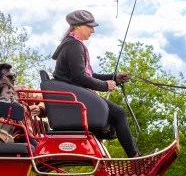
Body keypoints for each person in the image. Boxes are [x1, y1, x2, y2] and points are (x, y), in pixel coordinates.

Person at [52, 9, 139, 157]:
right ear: (78, 26)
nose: (93, 31)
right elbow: (80, 77)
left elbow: (88, 75)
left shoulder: (72, 44)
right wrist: (104, 86)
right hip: (75, 98)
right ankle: (134, 157)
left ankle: (131, 155)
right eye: (90, 26)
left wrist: (114, 78)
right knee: (119, 114)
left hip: (75, 95)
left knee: (116, 115)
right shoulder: (74, 46)